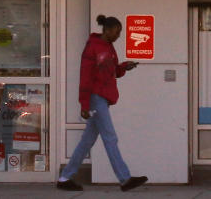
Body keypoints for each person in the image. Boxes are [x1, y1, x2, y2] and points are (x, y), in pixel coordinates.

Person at [56, 14, 148, 192]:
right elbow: (85, 77)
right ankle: (124, 179)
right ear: (107, 30)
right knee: (110, 137)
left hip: (102, 98)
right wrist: (84, 104)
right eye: (117, 32)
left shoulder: (109, 47)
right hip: (95, 98)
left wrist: (123, 67)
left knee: (87, 140)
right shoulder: (92, 47)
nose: (119, 35)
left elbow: (113, 71)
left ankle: (64, 177)